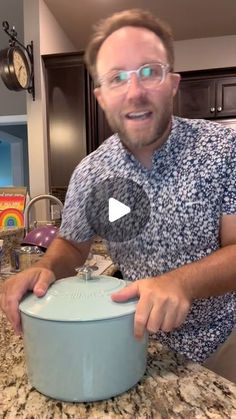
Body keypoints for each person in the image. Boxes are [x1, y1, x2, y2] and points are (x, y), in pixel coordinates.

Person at [1, 9, 236, 382]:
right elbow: (73, 246)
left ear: (173, 83)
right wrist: (45, 268)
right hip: (130, 340)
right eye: (117, 78)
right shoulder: (90, 172)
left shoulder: (225, 149)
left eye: (149, 71)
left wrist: (182, 283)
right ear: (101, 96)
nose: (135, 90)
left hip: (222, 345)